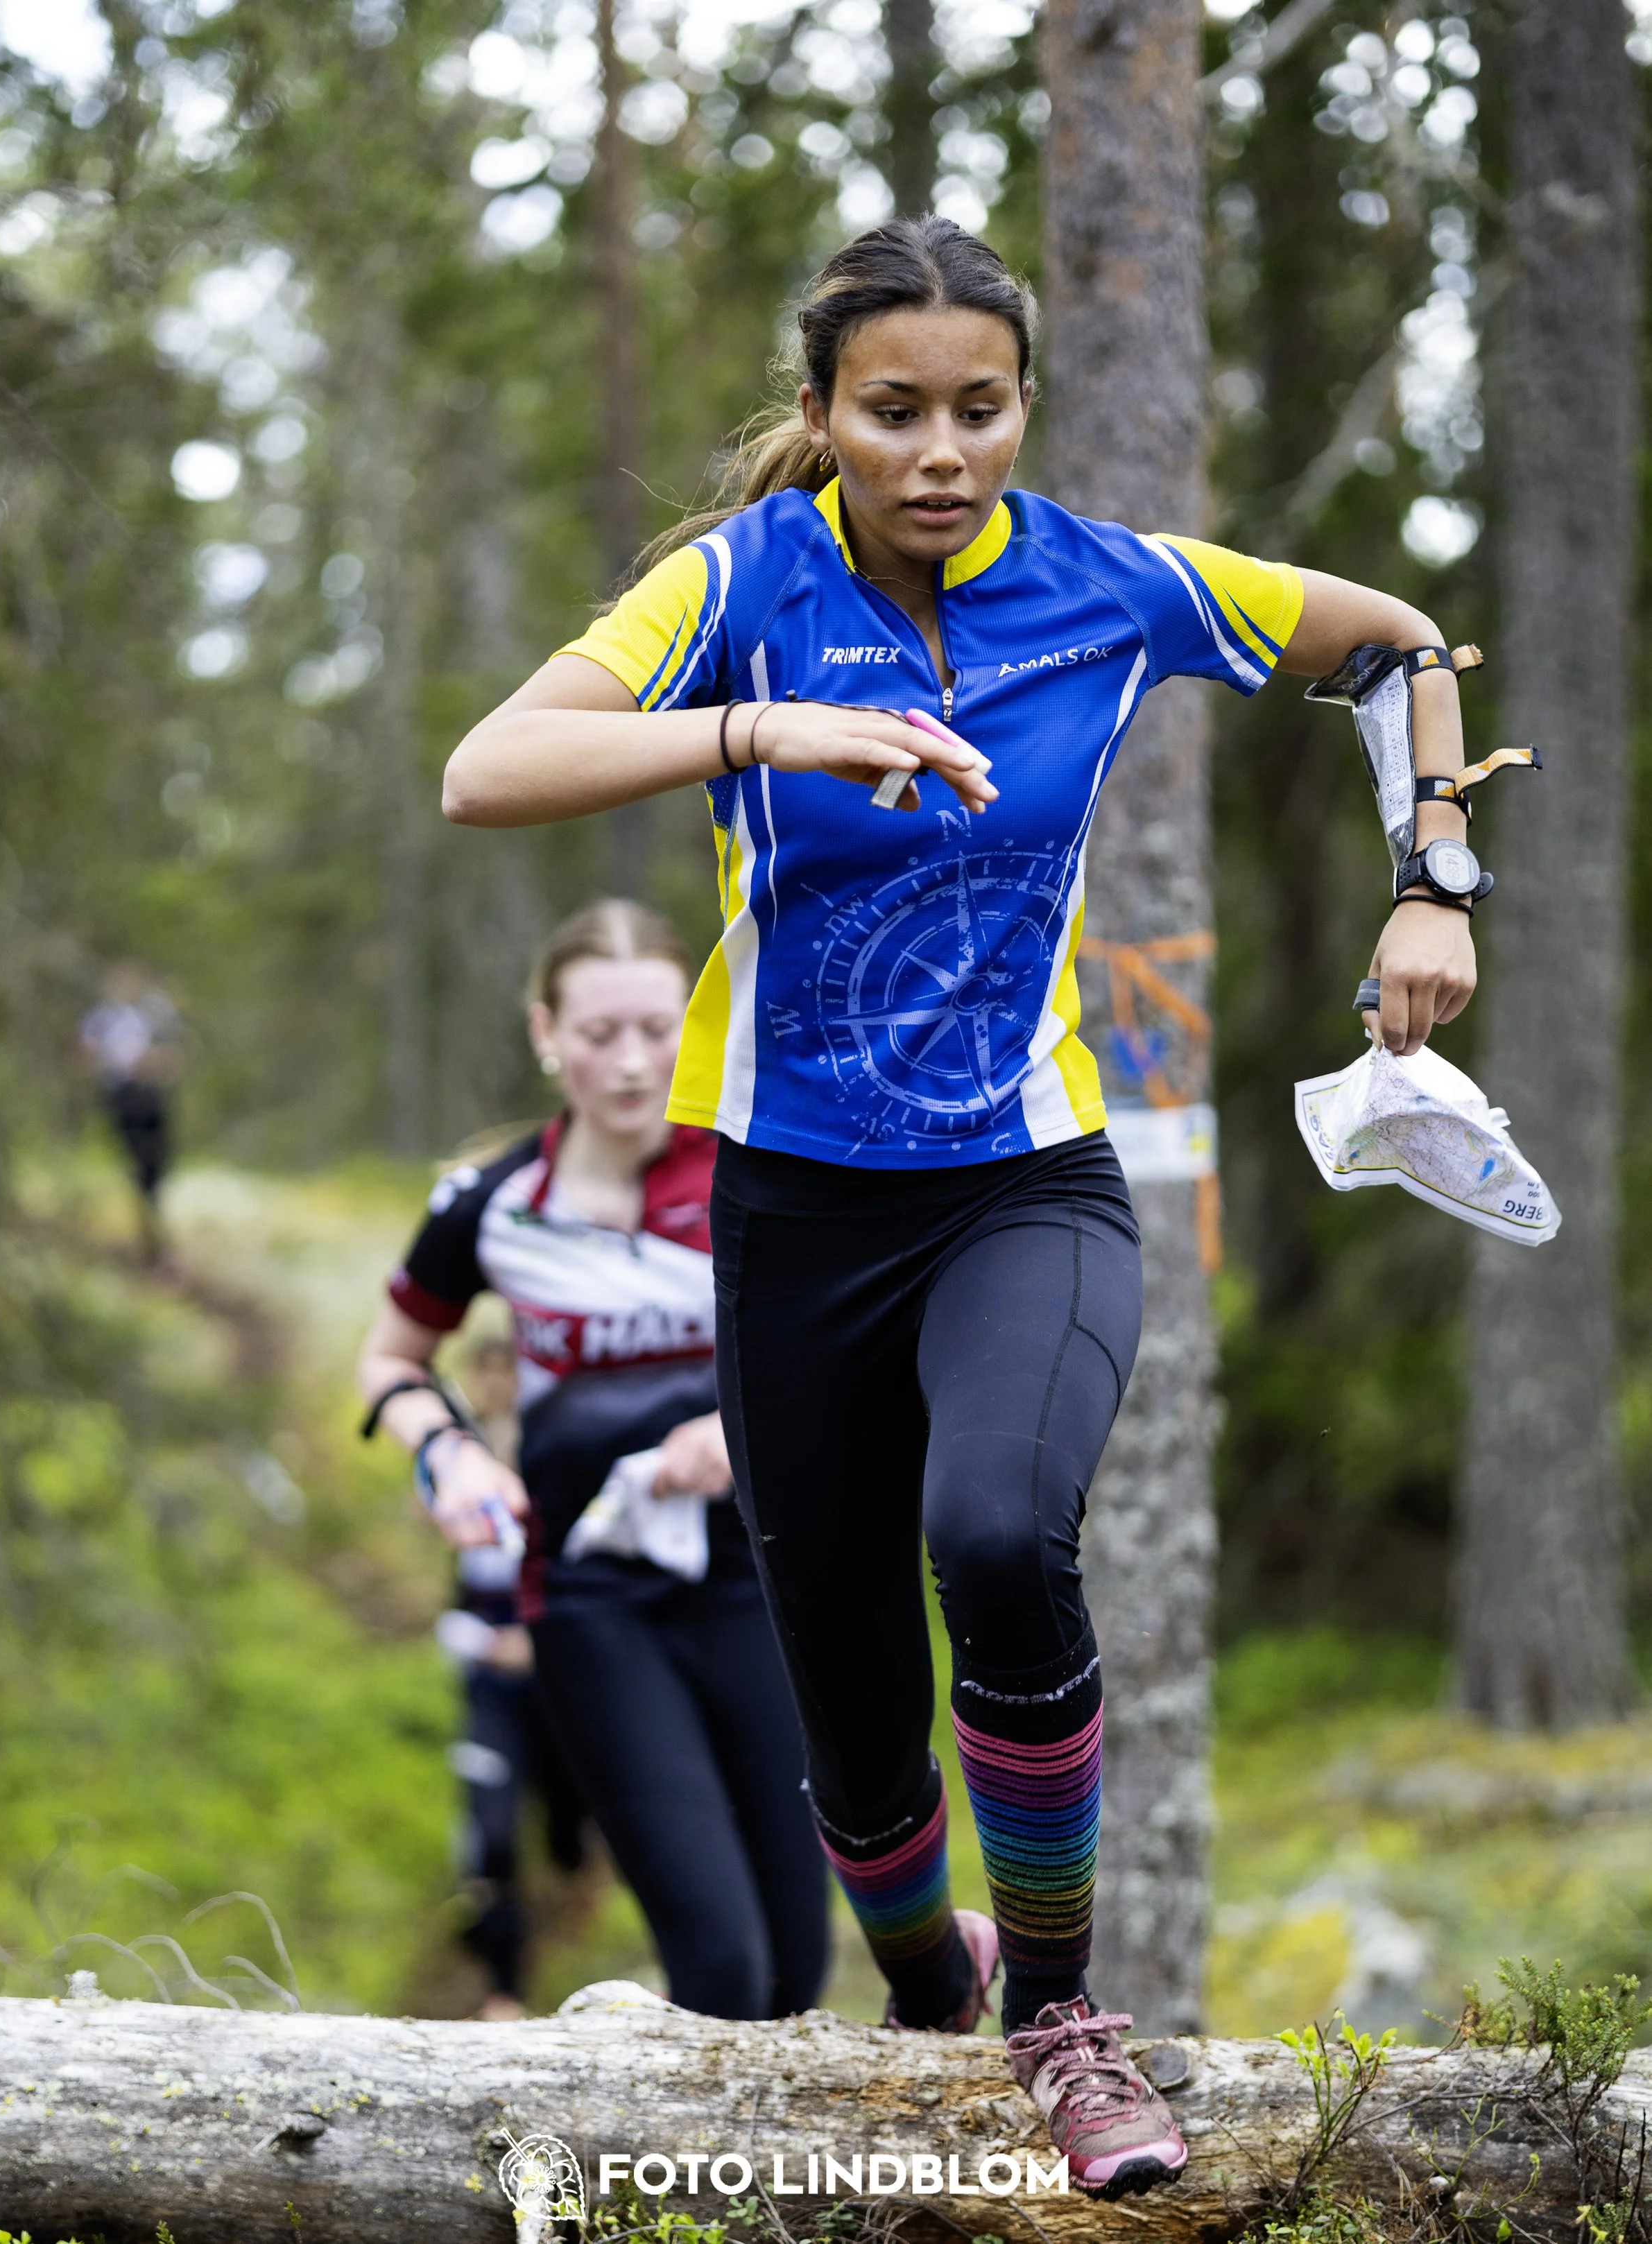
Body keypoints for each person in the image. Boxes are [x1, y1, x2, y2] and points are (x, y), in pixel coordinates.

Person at [436, 217, 1481, 2198]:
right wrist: (763, 725)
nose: (938, 451)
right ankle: (932, 1992)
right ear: (823, 413)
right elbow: (490, 769)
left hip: (1024, 1179)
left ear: (1024, 408)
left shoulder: (1109, 584)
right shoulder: (743, 581)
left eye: (977, 411)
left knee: (998, 1531)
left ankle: (1063, 2014)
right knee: (851, 1705)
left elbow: (1402, 646)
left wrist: (1432, 876)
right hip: (795, 1207)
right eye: (890, 411)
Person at [356, 900, 828, 2022]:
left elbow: (862, 1360)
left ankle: (739, 2193)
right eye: (600, 1032)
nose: (630, 1062)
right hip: (592, 1602)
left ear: (698, 1025)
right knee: (722, 1967)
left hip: (764, 1590)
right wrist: (452, 1460)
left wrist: (743, 1433)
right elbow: (391, 1358)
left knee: (798, 1971)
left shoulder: (763, 1177)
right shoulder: (493, 1205)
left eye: (658, 1029)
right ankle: (678, 2189)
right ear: (546, 1033)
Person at [430, 1326, 592, 2021]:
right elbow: (455, 1581)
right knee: (489, 1828)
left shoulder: (559, 1452)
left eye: (507, 1370)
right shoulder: (459, 1461)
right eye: (483, 1370)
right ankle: (505, 1985)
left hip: (556, 1671)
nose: (494, 1384)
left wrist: (541, 1639)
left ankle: (577, 1859)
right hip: (487, 1678)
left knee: (564, 1806)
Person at [78, 963, 183, 1263]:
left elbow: (173, 1059)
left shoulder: (152, 1017)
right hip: (123, 1098)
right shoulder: (100, 1021)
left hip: (151, 1098)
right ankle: (148, 1233)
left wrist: (156, 1065)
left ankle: (155, 1230)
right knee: (137, 1164)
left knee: (157, 1164)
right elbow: (84, 1058)